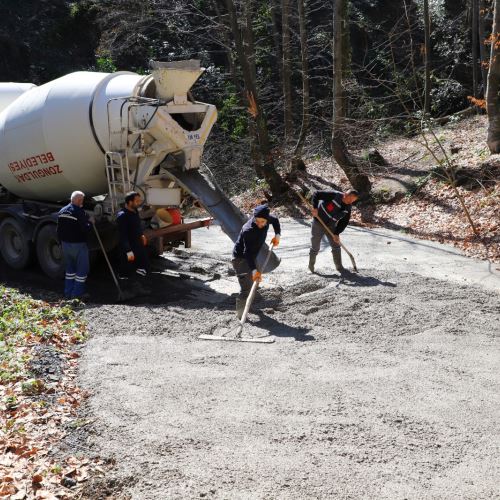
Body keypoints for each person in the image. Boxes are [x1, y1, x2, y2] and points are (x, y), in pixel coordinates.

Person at [232, 204, 281, 319]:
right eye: (257, 221)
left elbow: (275, 221)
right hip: (240, 259)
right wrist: (254, 270)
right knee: (246, 287)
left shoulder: (267, 218)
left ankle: (248, 305)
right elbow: (247, 253)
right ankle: (240, 315)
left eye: (262, 221)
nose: (259, 224)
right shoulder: (249, 230)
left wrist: (277, 235)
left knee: (255, 282)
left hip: (251, 257)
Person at [309, 188, 359, 273]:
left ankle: (339, 268)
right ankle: (311, 267)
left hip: (331, 225)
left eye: (353, 201)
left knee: (336, 245)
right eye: (350, 199)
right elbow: (316, 194)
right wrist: (315, 208)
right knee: (315, 247)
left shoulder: (348, 208)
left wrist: (337, 233)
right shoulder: (334, 195)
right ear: (346, 194)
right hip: (318, 222)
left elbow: (344, 222)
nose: (351, 202)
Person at [57, 190, 93, 300]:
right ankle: (77, 294)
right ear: (78, 200)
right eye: (82, 200)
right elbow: (85, 229)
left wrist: (60, 243)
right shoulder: (78, 212)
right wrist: (91, 222)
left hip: (65, 245)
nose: (82, 202)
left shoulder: (62, 211)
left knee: (70, 270)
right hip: (78, 245)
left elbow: (58, 229)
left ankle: (68, 293)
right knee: (82, 270)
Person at [116, 191, 149, 288]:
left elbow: (137, 226)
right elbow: (123, 236)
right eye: (137, 201)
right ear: (130, 202)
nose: (139, 203)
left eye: (139, 200)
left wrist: (142, 235)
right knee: (127, 270)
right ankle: (127, 289)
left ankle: (138, 287)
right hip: (129, 247)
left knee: (143, 266)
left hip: (138, 245)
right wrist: (128, 251)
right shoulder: (122, 216)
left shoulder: (135, 211)